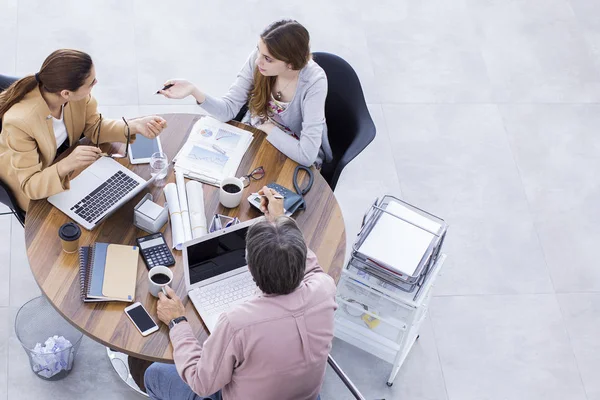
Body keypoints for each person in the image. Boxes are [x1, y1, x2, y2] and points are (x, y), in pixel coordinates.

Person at [143, 186, 337, 400]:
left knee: (154, 374)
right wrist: (280, 222)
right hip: (306, 397)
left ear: (251, 270)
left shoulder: (238, 323)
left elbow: (201, 383)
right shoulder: (325, 289)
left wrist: (177, 321)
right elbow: (311, 267)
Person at [0, 49, 167, 211]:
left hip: (61, 162)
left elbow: (94, 126)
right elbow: (30, 184)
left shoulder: (75, 96)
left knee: (112, 199)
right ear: (66, 93)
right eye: (91, 83)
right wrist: (67, 164)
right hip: (33, 183)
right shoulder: (19, 122)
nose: (96, 83)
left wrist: (133, 126)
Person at [158, 19, 332, 168]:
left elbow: (307, 155)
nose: (258, 61)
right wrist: (194, 91)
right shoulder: (258, 60)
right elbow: (228, 110)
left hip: (291, 146)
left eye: (268, 59)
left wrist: (268, 128)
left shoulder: (314, 82)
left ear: (291, 64)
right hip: (255, 132)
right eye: (259, 51)